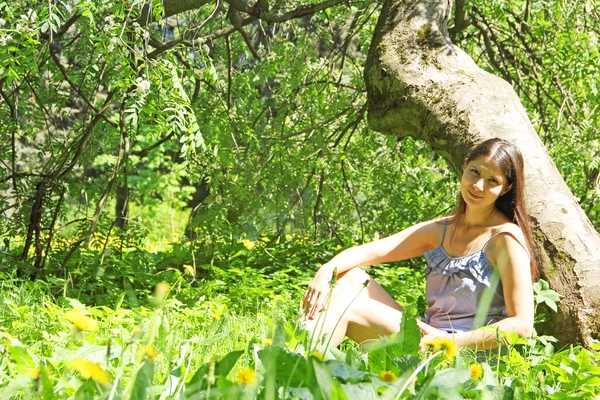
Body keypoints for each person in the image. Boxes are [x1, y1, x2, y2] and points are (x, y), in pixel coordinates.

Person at [301, 138, 537, 350]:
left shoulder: (505, 239)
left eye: (492, 180)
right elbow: (372, 251)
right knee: (348, 277)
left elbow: (522, 326)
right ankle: (296, 362)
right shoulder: (442, 229)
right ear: (464, 166)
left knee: (346, 304)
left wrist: (450, 341)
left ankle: (294, 370)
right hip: (428, 340)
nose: (478, 185)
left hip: (463, 354)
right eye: (474, 172)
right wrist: (326, 270)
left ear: (505, 188)